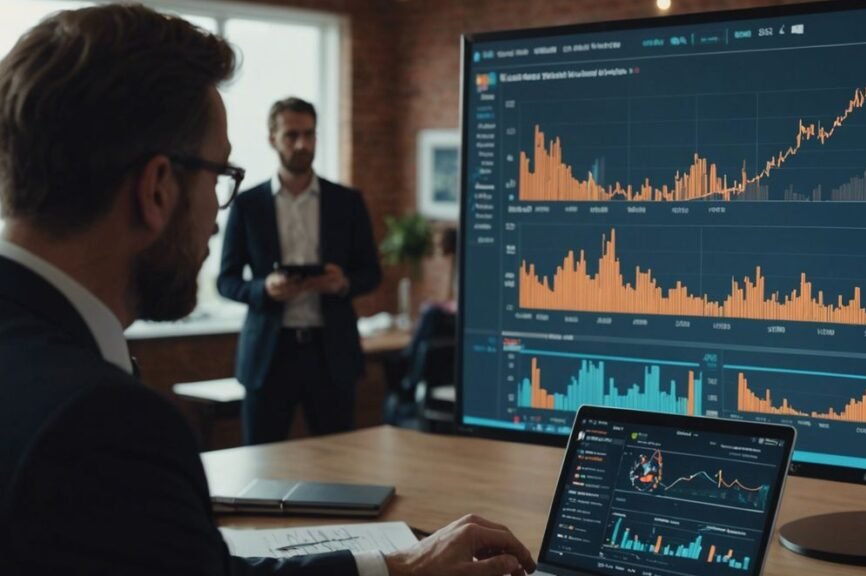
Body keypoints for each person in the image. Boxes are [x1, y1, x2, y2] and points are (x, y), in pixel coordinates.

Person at [0, 5, 535, 576]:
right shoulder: (106, 423)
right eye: (220, 175)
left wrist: (396, 567)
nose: (214, 214)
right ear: (157, 189)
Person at [218, 97, 382, 445]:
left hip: (331, 353)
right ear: (272, 139)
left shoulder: (347, 201)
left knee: (340, 463)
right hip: (269, 355)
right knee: (260, 462)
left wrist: (342, 284)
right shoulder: (248, 205)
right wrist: (264, 289)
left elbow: (372, 273)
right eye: (292, 135)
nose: (302, 144)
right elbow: (226, 280)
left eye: (309, 134)